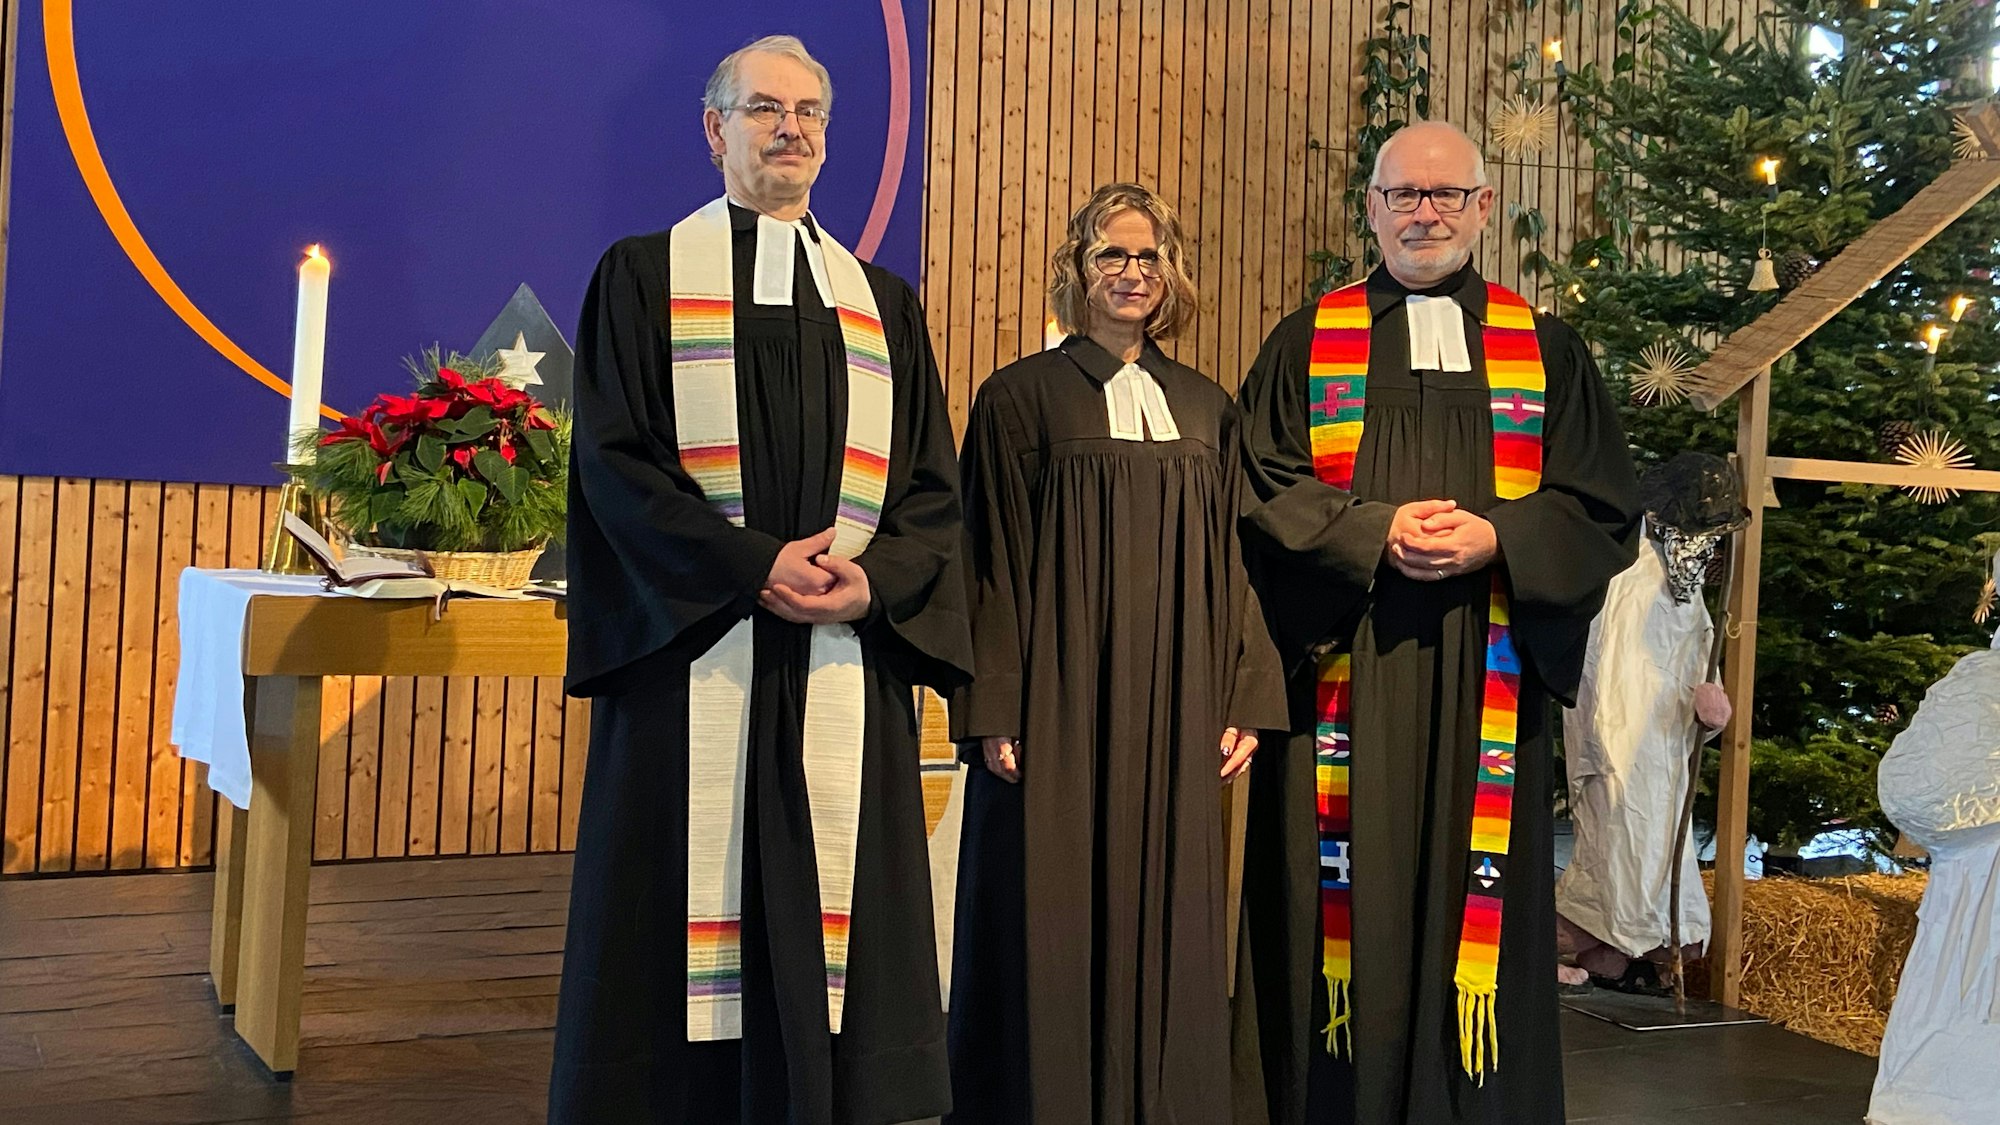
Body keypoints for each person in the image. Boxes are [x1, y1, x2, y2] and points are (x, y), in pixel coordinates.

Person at [550, 35, 972, 1125]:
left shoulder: (882, 302)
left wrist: (869, 584)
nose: (790, 129)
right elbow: (614, 462)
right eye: (764, 109)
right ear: (714, 129)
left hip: (840, 651)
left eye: (810, 114)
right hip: (696, 658)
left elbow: (930, 488)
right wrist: (748, 568)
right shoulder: (643, 277)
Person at [1233, 120, 1641, 1125]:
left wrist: (1496, 541)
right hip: (1348, 661)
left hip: (1484, 670)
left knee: (1478, 910)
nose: (1424, 213)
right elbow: (1255, 488)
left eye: (1445, 195)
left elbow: (1598, 505)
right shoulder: (1304, 342)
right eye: (1403, 195)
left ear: (1482, 209)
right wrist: (1367, 533)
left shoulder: (1543, 350)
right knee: (1339, 908)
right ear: (1369, 208)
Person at [946, 182, 1287, 1124]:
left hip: (1176, 700)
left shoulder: (1209, 407)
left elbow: (1237, 559)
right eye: (1111, 256)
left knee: (1173, 906)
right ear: (1076, 272)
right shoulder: (1020, 399)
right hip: (1057, 699)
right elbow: (991, 561)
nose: (1132, 274)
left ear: (1169, 275)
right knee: (1047, 905)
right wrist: (995, 705)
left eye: (1148, 258)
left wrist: (1242, 694)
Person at [1556, 454, 1741, 995]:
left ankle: (1641, 955)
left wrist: (1712, 710)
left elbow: (1696, 655)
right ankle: (1597, 948)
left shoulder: (1687, 587)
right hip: (1617, 739)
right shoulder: (1623, 574)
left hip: (1663, 747)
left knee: (1656, 850)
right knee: (1616, 849)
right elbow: (1601, 666)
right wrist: (1606, 742)